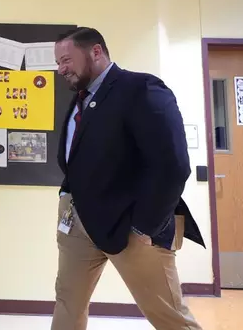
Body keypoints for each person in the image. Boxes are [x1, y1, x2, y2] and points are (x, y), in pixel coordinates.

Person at [52, 27, 205, 330]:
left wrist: (144, 226)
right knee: (68, 301)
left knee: (167, 314)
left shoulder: (141, 89)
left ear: (96, 52)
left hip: (133, 228)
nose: (61, 69)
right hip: (79, 224)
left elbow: (172, 165)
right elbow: (78, 158)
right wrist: (66, 197)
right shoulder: (80, 99)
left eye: (66, 60)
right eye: (58, 63)